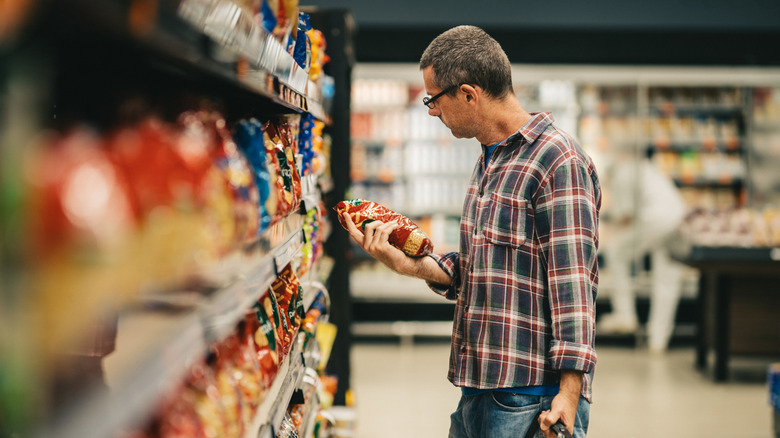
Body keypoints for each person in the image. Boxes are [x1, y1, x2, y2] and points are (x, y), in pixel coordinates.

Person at [341, 26, 601, 438]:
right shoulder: (490, 161)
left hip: (531, 397)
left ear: (467, 93)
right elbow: (478, 270)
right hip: (479, 388)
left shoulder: (557, 160)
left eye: (432, 99)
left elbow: (574, 286)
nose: (430, 110)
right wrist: (406, 264)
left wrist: (570, 392)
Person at [597, 156, 687, 352]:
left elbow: (626, 217)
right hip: (678, 216)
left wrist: (604, 227)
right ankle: (658, 340)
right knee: (667, 280)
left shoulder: (620, 175)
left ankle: (625, 314)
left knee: (616, 252)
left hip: (655, 218)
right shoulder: (642, 166)